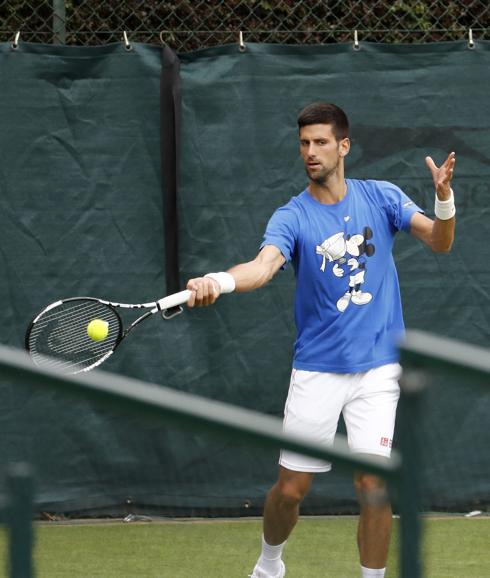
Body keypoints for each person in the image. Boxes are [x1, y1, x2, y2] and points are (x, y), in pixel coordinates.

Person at [185, 102, 456, 578]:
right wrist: (219, 280)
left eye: (321, 142)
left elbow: (440, 240)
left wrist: (443, 200)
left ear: (343, 146)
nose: (311, 152)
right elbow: (263, 266)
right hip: (318, 369)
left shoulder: (382, 197)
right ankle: (270, 564)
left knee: (375, 486)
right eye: (304, 144)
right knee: (291, 490)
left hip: (378, 368)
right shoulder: (292, 216)